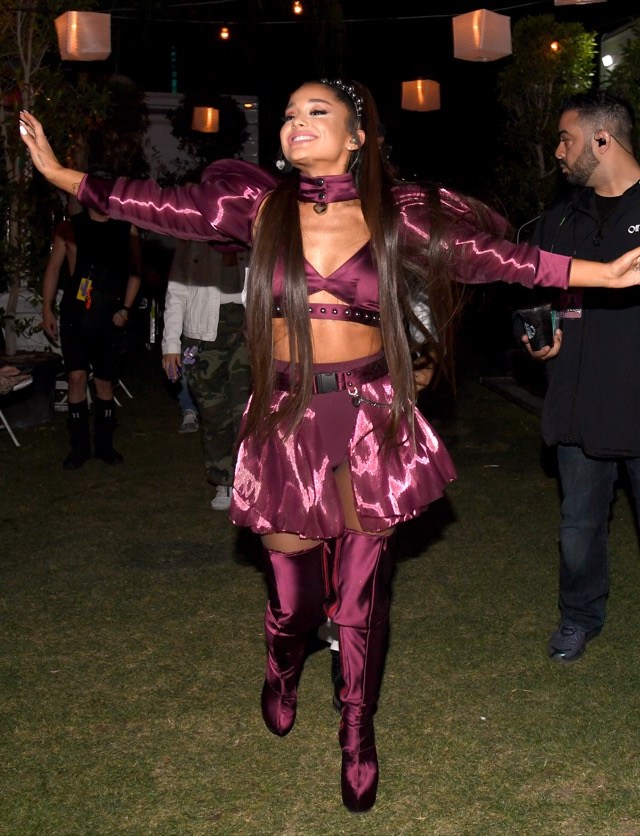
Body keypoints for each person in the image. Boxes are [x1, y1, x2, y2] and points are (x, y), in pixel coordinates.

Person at [19, 80, 640, 813]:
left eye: (317, 112)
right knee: (294, 599)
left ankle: (356, 730)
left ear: (356, 138)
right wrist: (67, 177)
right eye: (288, 114)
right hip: (289, 417)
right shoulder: (258, 208)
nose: (296, 123)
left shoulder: (393, 216)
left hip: (371, 416)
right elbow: (161, 205)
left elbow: (490, 257)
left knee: (361, 601)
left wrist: (597, 273)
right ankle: (283, 664)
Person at [520, 90, 640, 663]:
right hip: (577, 405)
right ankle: (578, 617)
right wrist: (534, 335)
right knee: (577, 528)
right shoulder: (559, 220)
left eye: (566, 139)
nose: (558, 152)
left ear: (602, 140)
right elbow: (536, 297)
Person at [41, 176, 141, 470]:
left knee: (104, 382)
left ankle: (106, 446)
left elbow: (136, 271)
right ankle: (79, 447)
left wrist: (125, 308)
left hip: (109, 315)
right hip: (74, 314)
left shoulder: (126, 227)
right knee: (75, 377)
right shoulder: (69, 227)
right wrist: (47, 309)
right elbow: (53, 269)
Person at [162, 238, 250, 510]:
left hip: (248, 328)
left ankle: (247, 481)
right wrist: (171, 344)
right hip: (201, 333)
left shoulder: (252, 232)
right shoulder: (192, 241)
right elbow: (176, 293)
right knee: (213, 411)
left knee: (245, 410)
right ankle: (223, 479)